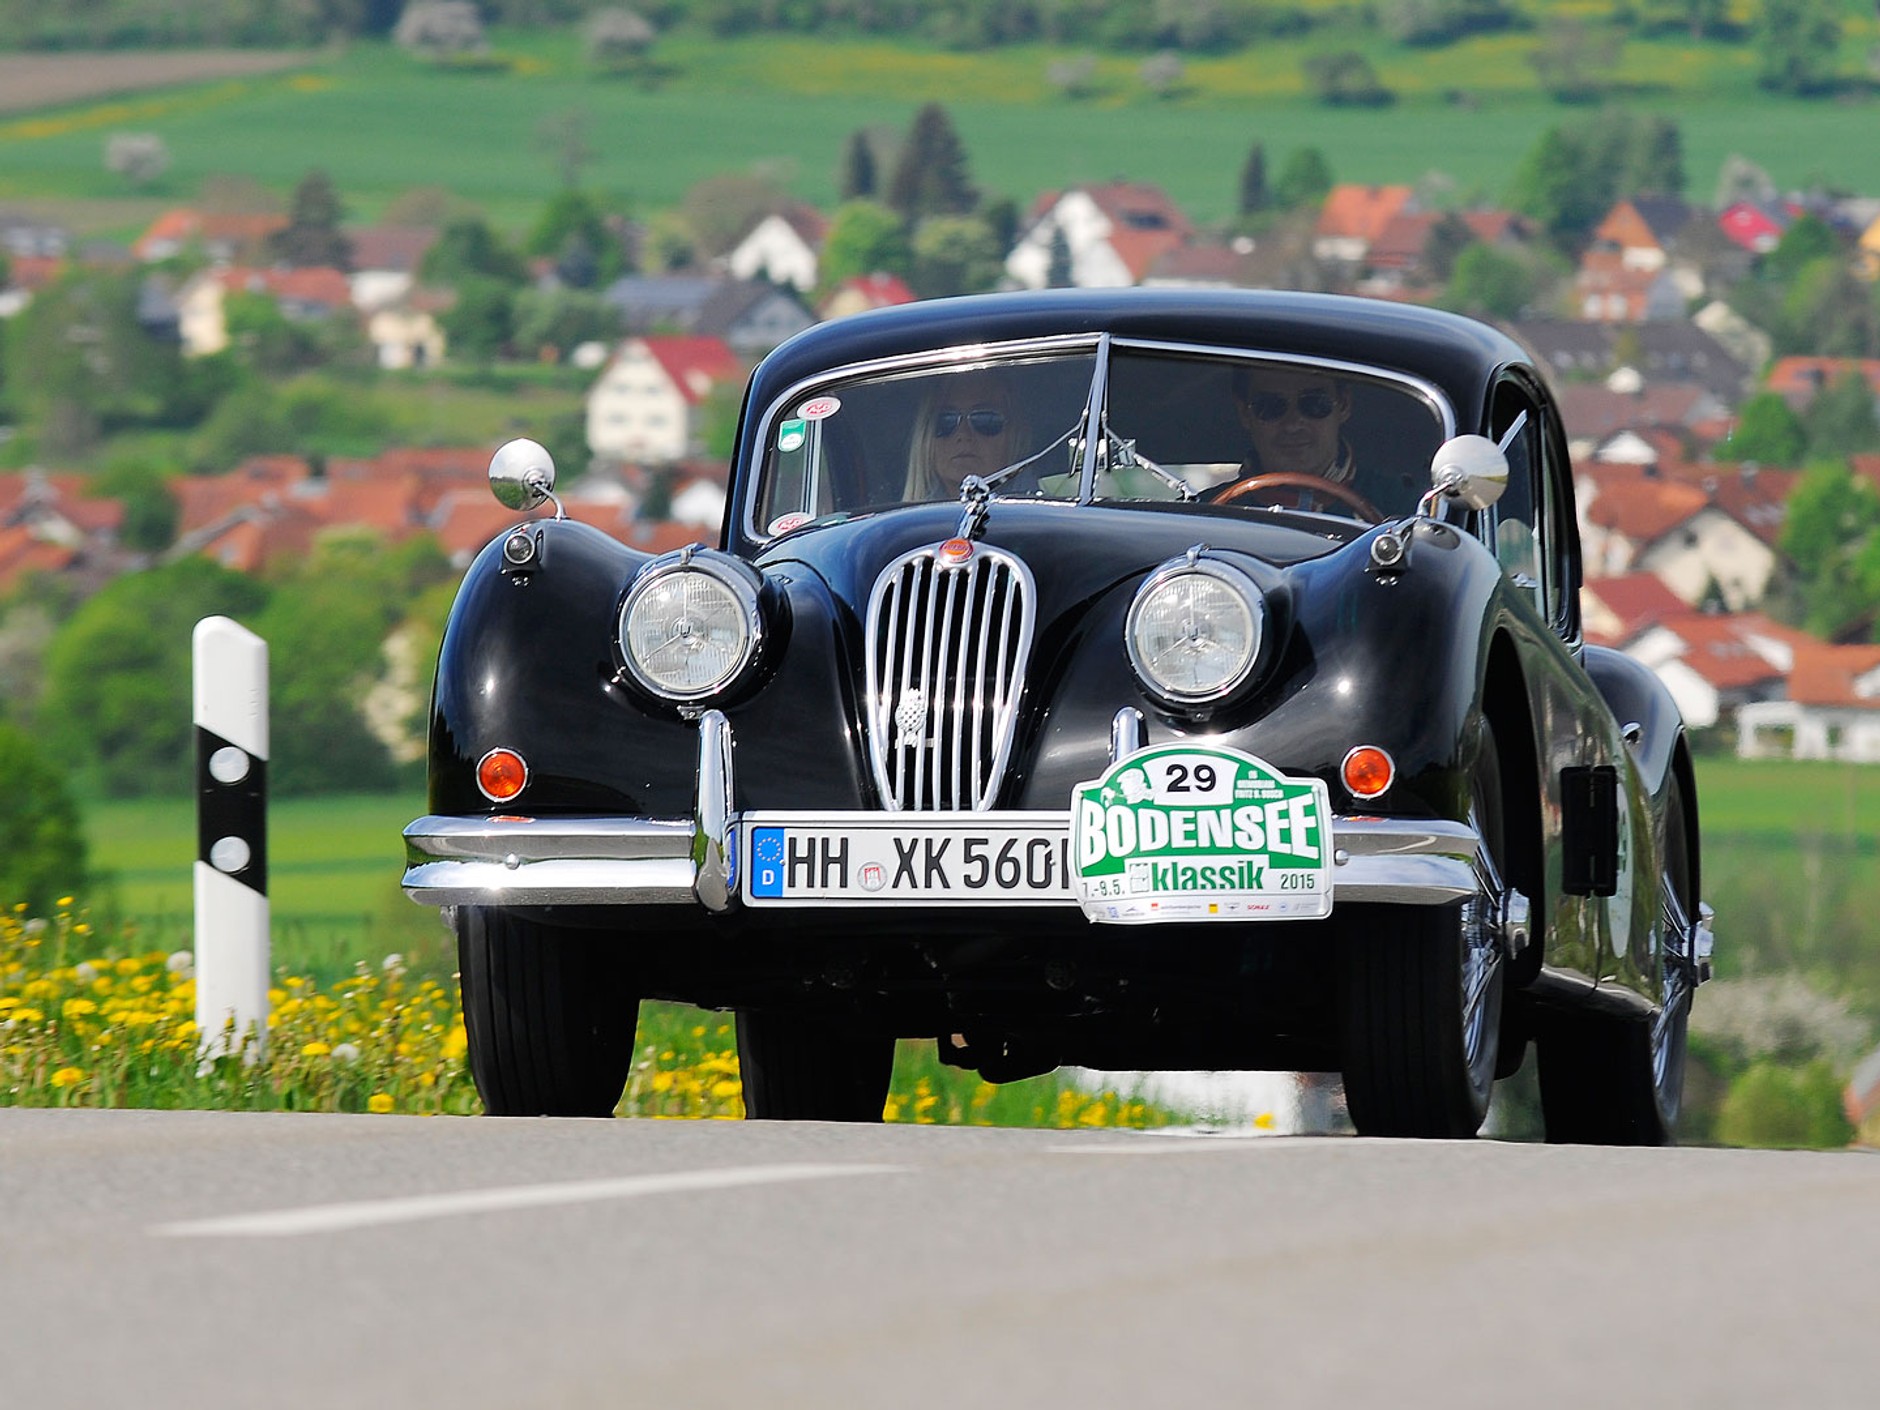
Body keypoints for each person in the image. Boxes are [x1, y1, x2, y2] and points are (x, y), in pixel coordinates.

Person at [903, 371, 1021, 500]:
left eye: (985, 419)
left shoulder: (1043, 516)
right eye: (945, 421)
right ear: (925, 438)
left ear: (1013, 434)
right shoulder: (896, 519)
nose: (963, 434)